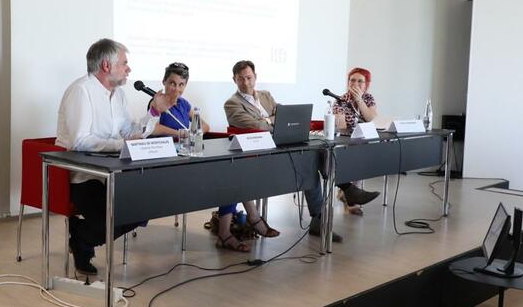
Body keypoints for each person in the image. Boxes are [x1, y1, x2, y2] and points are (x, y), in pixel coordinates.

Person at [56, 38, 171, 275]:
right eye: (124, 63)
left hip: (113, 170)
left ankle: (81, 234)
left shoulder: (118, 95)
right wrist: (122, 145)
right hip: (83, 175)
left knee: (145, 206)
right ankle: (81, 238)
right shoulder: (81, 91)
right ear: (106, 66)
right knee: (115, 216)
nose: (128, 69)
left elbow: (130, 131)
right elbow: (80, 141)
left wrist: (154, 111)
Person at [153, 62, 279, 252]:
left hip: (187, 155)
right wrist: (181, 133)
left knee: (233, 174)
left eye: (181, 85)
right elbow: (154, 129)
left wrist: (192, 132)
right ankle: (245, 223)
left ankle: (228, 231)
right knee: (229, 177)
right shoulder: (157, 103)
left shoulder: (183, 103)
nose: (176, 89)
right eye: (172, 83)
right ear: (164, 82)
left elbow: (205, 126)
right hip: (168, 160)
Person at [224, 60, 342, 242]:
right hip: (259, 153)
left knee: (311, 158)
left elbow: (285, 115)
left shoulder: (265, 95)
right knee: (307, 162)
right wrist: (272, 119)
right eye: (241, 79)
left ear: (255, 77)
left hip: (280, 143)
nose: (246, 83)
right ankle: (343, 192)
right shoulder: (232, 103)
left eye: (249, 77)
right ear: (234, 80)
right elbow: (255, 126)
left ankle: (319, 218)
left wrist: (271, 120)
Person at [332, 67, 380, 214]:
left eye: (360, 81)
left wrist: (359, 101)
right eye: (352, 80)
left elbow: (372, 119)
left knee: (364, 153)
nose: (355, 84)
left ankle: (347, 194)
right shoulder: (340, 100)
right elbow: (341, 127)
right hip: (346, 141)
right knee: (355, 153)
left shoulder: (368, 98)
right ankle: (351, 196)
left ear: (366, 85)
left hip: (364, 140)